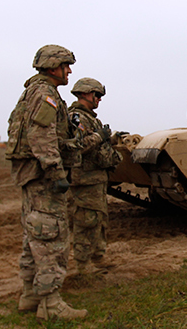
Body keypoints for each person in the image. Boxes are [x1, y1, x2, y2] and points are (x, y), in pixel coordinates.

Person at [5, 44, 87, 320]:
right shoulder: (45, 94)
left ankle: (29, 295)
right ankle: (51, 305)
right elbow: (42, 135)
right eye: (66, 66)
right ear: (53, 67)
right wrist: (56, 172)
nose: (69, 71)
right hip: (43, 177)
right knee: (52, 237)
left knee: (34, 236)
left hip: (32, 174)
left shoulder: (33, 91)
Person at [68, 77, 123, 275]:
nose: (99, 99)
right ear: (84, 94)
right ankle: (83, 265)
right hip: (84, 180)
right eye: (96, 95)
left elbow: (97, 143)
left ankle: (98, 257)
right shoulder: (76, 118)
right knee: (85, 222)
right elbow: (77, 147)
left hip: (95, 180)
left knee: (99, 220)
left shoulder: (90, 118)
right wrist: (101, 136)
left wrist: (113, 138)